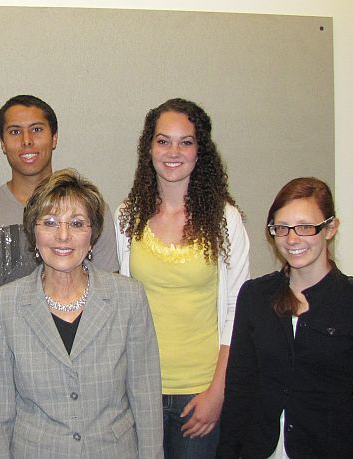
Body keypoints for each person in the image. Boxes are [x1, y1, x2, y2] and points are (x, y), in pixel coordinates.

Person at [0, 94, 120, 458]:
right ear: (2, 143)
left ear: (54, 137)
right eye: (15, 132)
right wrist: (4, 378)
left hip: (83, 400)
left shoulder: (92, 212)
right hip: (3, 396)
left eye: (37, 130)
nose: (27, 141)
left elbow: (109, 309)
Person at [0, 168, 163, 458]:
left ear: (92, 235)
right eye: (50, 222)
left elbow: (146, 398)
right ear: (34, 233)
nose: (63, 236)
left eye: (77, 223)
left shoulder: (129, 298)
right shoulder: (4, 306)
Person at [218, 177, 353, 459]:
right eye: (282, 228)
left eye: (305, 227)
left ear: (330, 228)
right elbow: (239, 392)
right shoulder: (254, 297)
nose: (292, 238)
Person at [116, 98, 250, 458]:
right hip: (139, 390)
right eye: (163, 141)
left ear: (199, 150)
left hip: (200, 393)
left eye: (185, 142)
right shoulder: (127, 217)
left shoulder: (226, 220)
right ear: (149, 148)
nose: (173, 151)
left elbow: (238, 309)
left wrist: (217, 392)